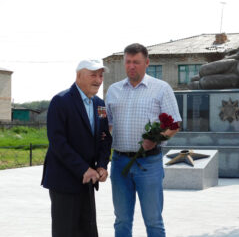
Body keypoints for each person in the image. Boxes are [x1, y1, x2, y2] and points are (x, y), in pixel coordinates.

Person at [106, 43, 182, 237]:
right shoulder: (113, 90)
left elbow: (174, 125)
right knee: (121, 220)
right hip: (120, 163)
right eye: (128, 62)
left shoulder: (161, 89)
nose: (131, 66)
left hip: (149, 163)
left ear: (146, 63)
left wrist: (156, 140)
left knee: (153, 221)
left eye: (136, 62)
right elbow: (108, 126)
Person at [41, 60, 112, 237]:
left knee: (87, 230)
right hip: (64, 179)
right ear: (79, 75)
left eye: (101, 75)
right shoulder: (61, 101)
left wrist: (102, 165)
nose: (98, 80)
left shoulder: (100, 105)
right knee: (65, 231)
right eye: (93, 74)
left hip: (88, 180)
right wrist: (83, 169)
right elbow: (58, 142)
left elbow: (105, 138)